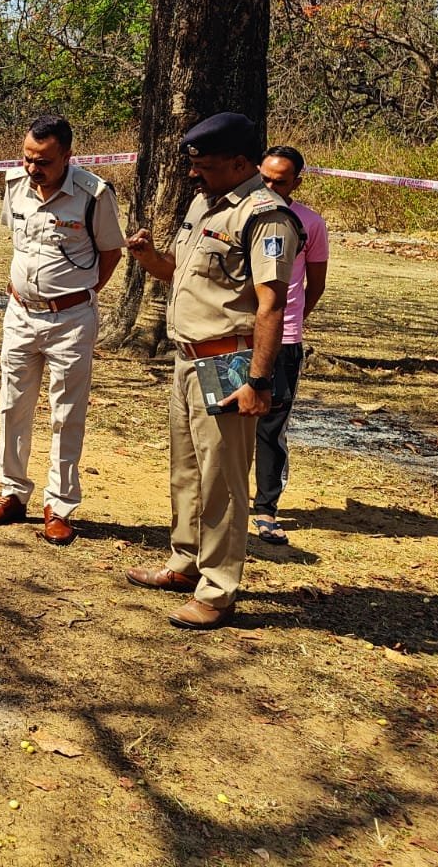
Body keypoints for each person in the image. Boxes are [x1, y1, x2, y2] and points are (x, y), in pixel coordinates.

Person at [123, 112, 301, 630]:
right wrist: (148, 256)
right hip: (186, 357)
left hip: (230, 361)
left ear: (241, 163)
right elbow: (178, 270)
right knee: (187, 472)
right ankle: (184, 562)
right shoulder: (205, 204)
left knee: (222, 480)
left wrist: (259, 380)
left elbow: (271, 305)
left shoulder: (266, 216)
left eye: (204, 165)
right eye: (192, 164)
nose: (193, 174)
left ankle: (219, 588)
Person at [0, 114, 126, 545]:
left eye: (43, 160)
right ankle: (12, 493)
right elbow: (20, 244)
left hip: (71, 321)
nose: (32, 168)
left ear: (67, 157)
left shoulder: (93, 195)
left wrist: (78, 295)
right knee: (12, 405)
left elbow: (111, 253)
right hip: (20, 314)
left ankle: (58, 506)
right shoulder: (14, 187)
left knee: (66, 413)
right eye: (27, 158)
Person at [251, 145, 329, 544]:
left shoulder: (310, 224)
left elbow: (314, 285)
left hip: (282, 340)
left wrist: (290, 322)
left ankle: (265, 509)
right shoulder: (243, 213)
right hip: (234, 335)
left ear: (296, 182)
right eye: (263, 178)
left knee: (271, 424)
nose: (269, 187)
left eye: (279, 182)